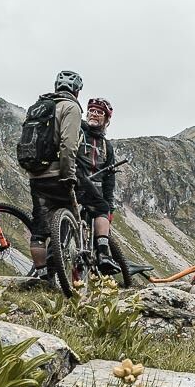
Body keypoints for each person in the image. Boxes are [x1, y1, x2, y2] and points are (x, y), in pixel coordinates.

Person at [22, 70, 84, 282]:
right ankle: (64, 268)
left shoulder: (39, 107)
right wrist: (69, 174)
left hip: (36, 174)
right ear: (77, 90)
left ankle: (43, 277)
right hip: (57, 172)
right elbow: (68, 145)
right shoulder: (71, 107)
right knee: (71, 217)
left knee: (39, 229)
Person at [76, 97, 118, 277]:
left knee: (102, 211)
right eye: (91, 110)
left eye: (99, 112)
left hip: (97, 193)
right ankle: (103, 255)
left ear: (106, 119)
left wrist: (110, 208)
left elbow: (109, 179)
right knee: (100, 209)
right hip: (77, 185)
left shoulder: (107, 146)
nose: (93, 114)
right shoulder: (78, 133)